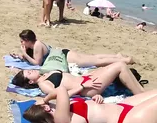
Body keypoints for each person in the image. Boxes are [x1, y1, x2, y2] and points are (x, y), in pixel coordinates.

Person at [12, 61, 144, 98]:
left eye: (29, 70)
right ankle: (143, 95)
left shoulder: (44, 75)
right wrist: (82, 87)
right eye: (29, 73)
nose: (32, 70)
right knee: (120, 66)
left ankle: (142, 93)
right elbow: (60, 96)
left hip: (86, 78)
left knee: (115, 65)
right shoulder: (43, 84)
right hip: (87, 88)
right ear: (30, 81)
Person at [23, 86, 157, 123]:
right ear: (45, 108)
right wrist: (45, 99)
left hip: (122, 106)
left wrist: (95, 99)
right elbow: (61, 90)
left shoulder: (62, 110)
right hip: (127, 119)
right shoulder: (60, 119)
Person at [12, 30, 133, 66]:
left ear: (28, 41)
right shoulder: (36, 43)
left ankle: (125, 61)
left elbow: (37, 63)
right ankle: (117, 56)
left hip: (67, 58)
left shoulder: (37, 46)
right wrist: (21, 56)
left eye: (22, 41)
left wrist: (24, 53)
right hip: (66, 53)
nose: (21, 43)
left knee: (96, 61)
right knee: (93, 57)